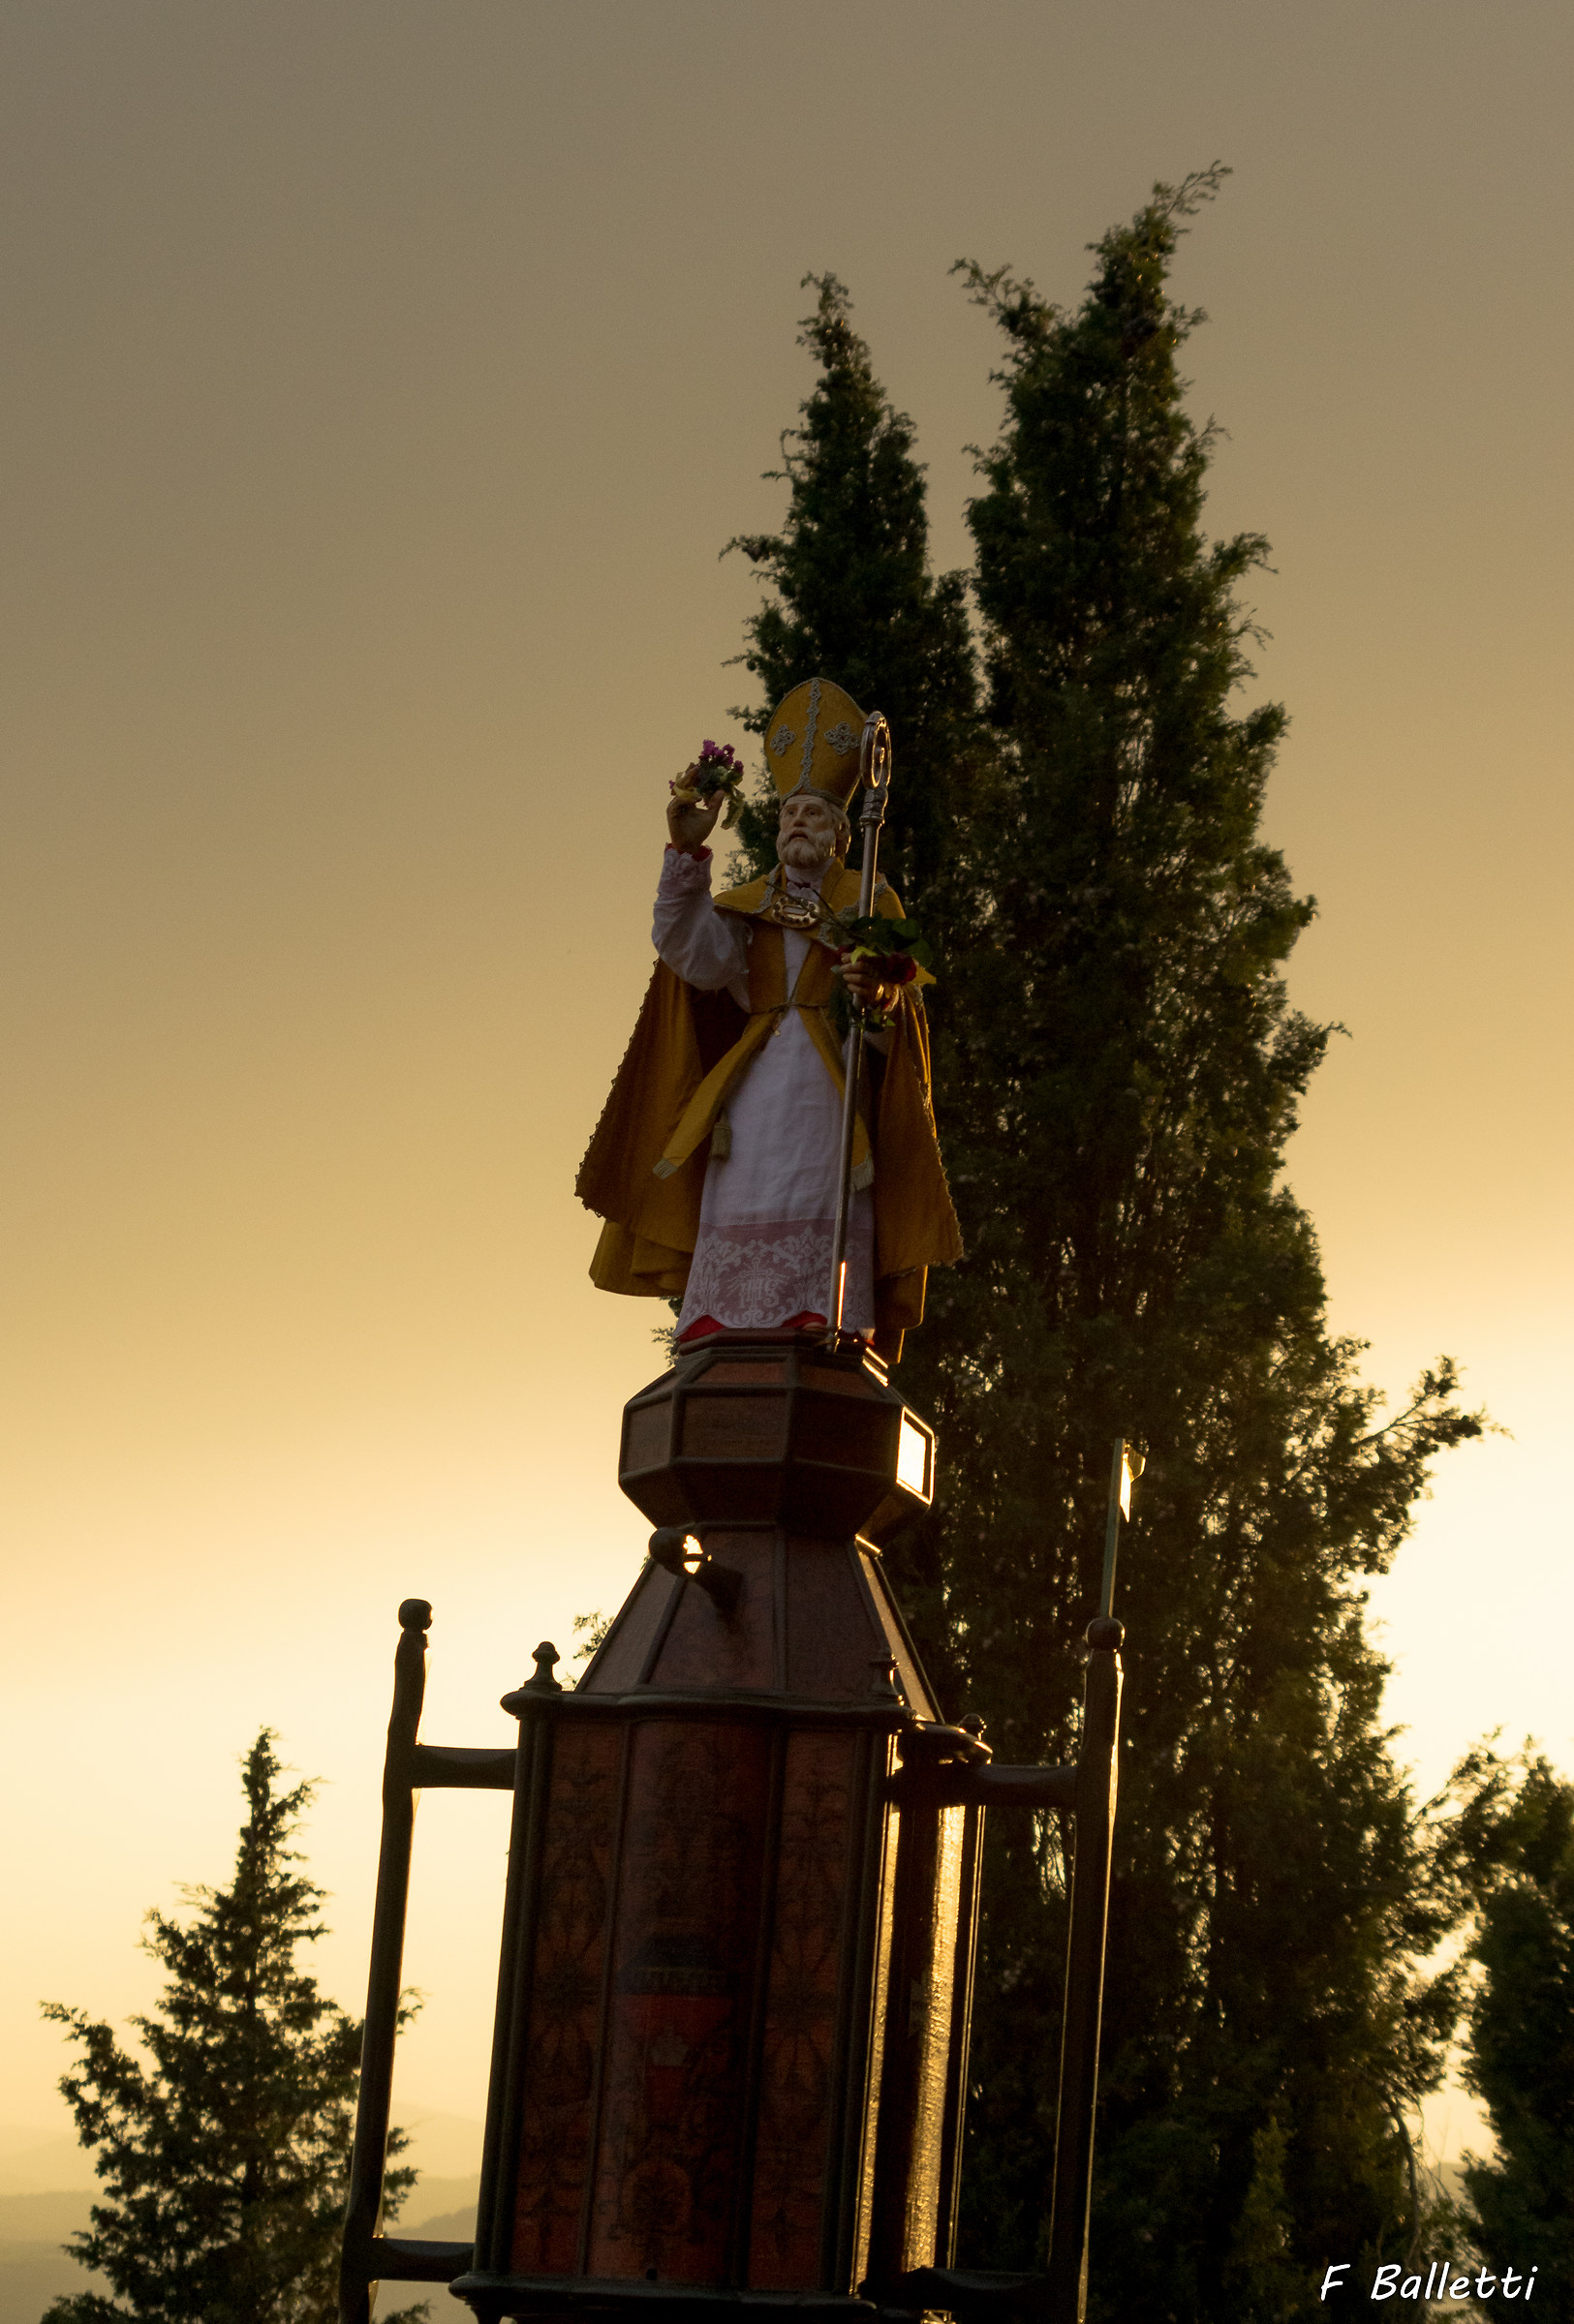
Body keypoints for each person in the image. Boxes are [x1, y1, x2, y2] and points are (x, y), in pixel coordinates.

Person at [576, 677, 961, 1361]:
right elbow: (691, 954)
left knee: (824, 1181)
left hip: (825, 1083)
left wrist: (873, 993)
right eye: (789, 816)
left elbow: (892, 1016)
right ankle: (727, 1317)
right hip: (750, 1088)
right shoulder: (745, 906)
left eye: (814, 816)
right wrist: (688, 855)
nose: (798, 826)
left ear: (842, 835)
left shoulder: (867, 895)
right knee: (743, 1184)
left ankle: (824, 1311)